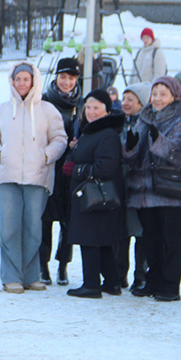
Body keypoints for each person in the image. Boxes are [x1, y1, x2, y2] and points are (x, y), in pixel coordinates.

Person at [0, 62, 67, 293]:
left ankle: (31, 275)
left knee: (33, 228)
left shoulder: (48, 110)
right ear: (11, 81)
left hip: (37, 177)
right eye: (17, 79)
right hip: (8, 176)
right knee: (10, 228)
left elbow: (59, 139)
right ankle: (11, 276)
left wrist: (46, 156)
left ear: (34, 81)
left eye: (26, 79)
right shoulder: (1, 110)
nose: (21, 83)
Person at [124, 76, 181, 302]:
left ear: (174, 96)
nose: (157, 99)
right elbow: (133, 155)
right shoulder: (144, 117)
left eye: (163, 94)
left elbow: (180, 151)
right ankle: (152, 280)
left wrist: (159, 140)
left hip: (168, 189)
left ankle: (171, 285)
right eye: (155, 94)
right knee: (150, 238)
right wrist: (131, 145)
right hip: (144, 189)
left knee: (170, 238)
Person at [63, 89, 125, 298]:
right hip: (95, 195)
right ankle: (111, 282)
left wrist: (77, 170)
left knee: (89, 238)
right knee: (103, 240)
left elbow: (105, 167)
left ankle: (92, 284)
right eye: (88, 107)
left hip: (96, 194)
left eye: (96, 107)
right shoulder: (93, 130)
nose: (91, 111)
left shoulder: (106, 133)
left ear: (107, 110)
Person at [40, 57, 81, 286]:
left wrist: (78, 145)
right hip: (48, 166)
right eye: (63, 77)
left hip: (71, 170)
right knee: (45, 218)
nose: (66, 82)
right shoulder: (44, 101)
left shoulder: (82, 104)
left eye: (71, 78)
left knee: (68, 220)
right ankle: (42, 265)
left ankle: (63, 265)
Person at [119, 84, 151, 290]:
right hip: (120, 185)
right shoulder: (118, 122)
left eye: (131, 99)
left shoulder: (148, 124)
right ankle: (119, 274)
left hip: (140, 186)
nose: (125, 103)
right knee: (121, 232)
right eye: (124, 98)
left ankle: (140, 275)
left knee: (140, 232)